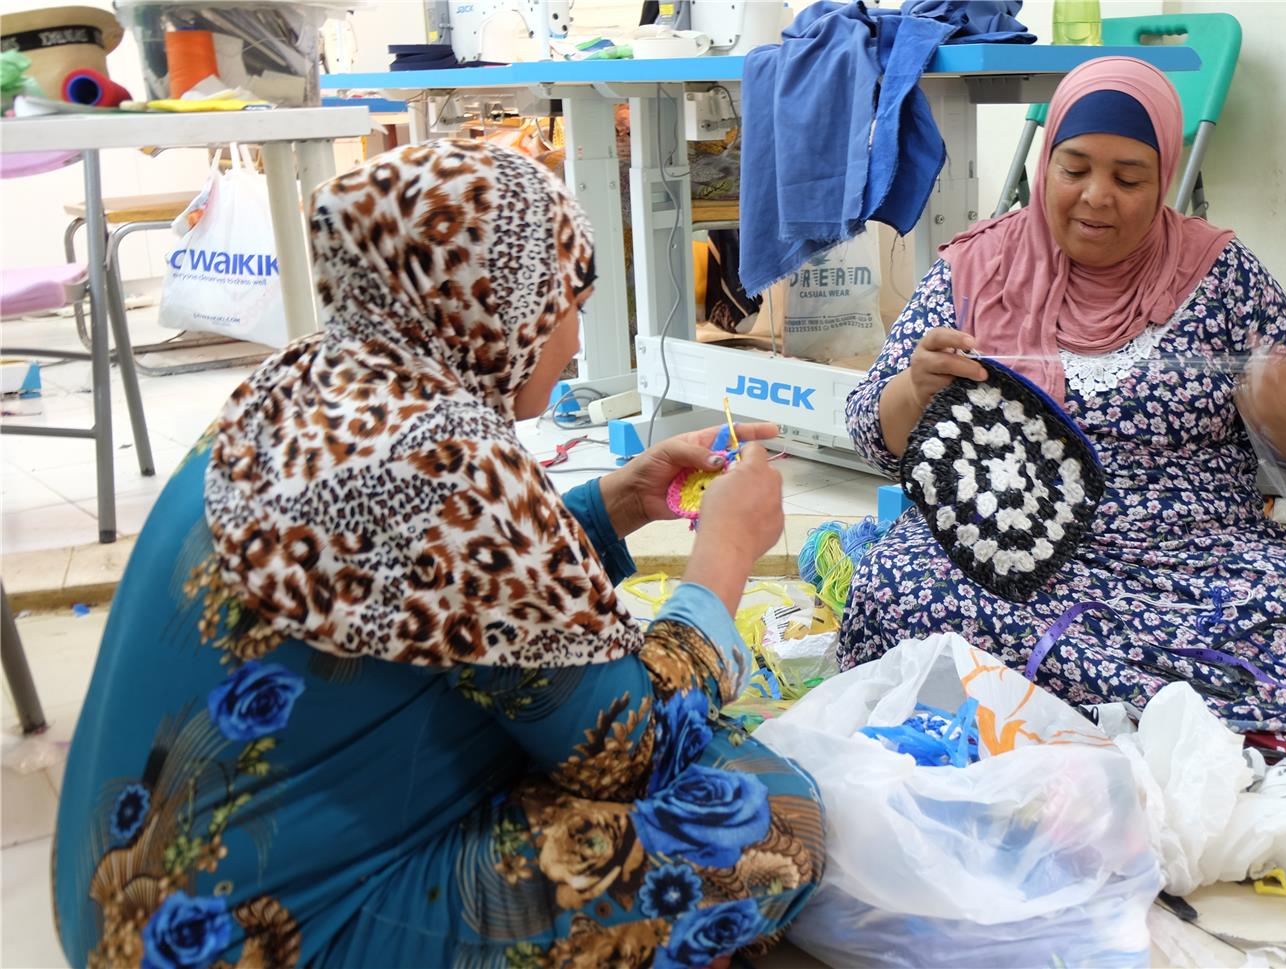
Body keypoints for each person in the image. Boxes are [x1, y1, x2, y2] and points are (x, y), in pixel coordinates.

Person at [52, 141, 824, 969]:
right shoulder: (448, 463)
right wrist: (724, 558)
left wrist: (619, 504)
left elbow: (440, 587)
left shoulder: (311, 384)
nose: (570, 339)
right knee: (772, 816)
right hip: (260, 938)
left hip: (116, 912)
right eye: (568, 301)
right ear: (498, 298)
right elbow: (634, 749)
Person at [839, 57, 1286, 777]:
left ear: (1165, 179)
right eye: (1075, 169)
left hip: (1190, 555)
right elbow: (875, 431)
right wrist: (915, 388)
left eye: (1128, 178)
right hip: (1002, 550)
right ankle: (1191, 724)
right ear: (1044, 163)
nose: (1096, 198)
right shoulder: (974, 269)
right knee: (899, 586)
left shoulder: (1220, 275)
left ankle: (1044, 714)